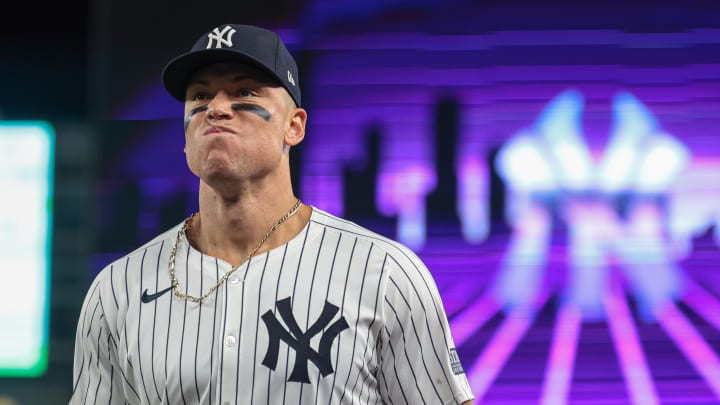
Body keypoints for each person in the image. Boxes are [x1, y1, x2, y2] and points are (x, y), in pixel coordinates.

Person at [70, 23, 475, 404]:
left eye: (244, 93)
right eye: (200, 96)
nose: (216, 109)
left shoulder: (384, 272)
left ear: (294, 127)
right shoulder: (117, 290)